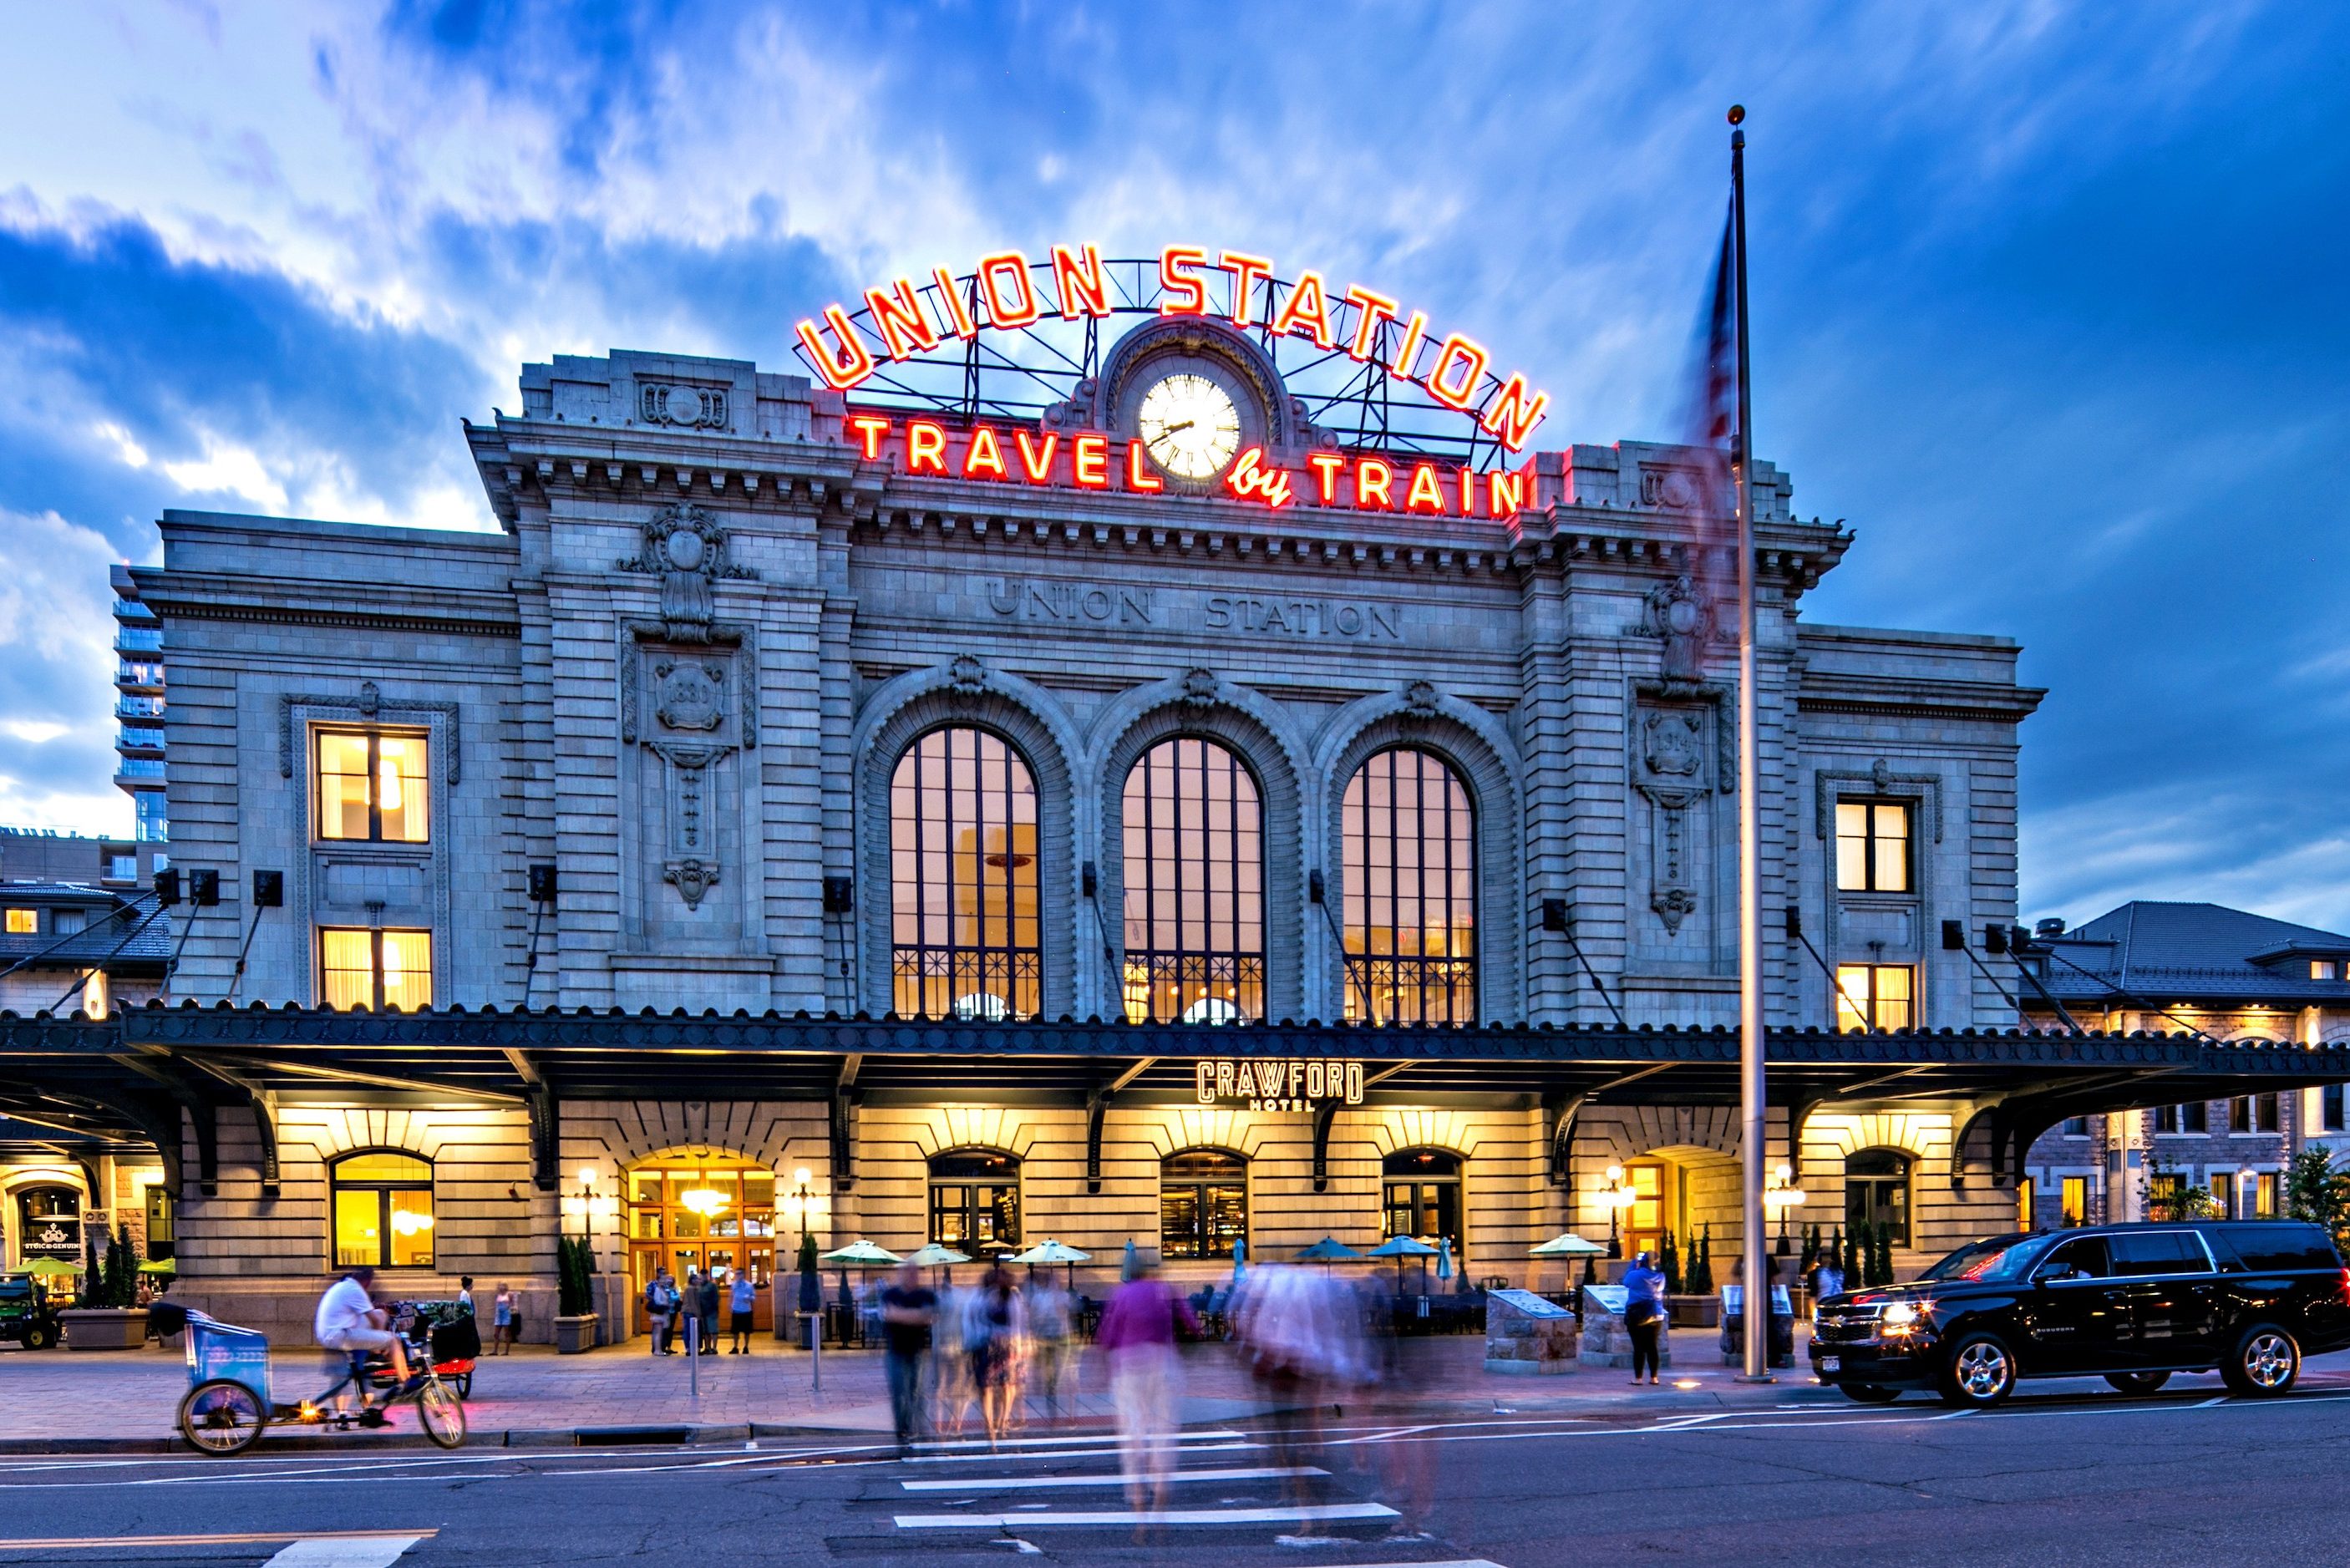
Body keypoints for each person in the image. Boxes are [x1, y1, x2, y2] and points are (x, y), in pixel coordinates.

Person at [1096, 1258, 1199, 1526]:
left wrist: (1101, 1367)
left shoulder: (1121, 1294)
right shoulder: (1166, 1290)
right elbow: (1193, 1325)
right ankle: (1161, 1480)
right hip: (1163, 1360)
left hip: (1128, 1363)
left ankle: (1137, 1493)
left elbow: (1107, 1336)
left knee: (1132, 1429)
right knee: (1164, 1427)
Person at [315, 1264, 413, 1417]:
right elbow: (374, 1320)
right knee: (393, 1340)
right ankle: (406, 1382)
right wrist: (380, 1343)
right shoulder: (356, 1290)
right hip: (339, 1335)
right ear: (368, 1281)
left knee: (381, 1315)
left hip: (331, 1334)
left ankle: (346, 1413)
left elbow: (376, 1316)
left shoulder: (342, 1287)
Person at [879, 1260, 938, 1457]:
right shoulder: (890, 1294)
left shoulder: (926, 1294)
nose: (911, 1275)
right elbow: (889, 1315)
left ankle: (917, 1428)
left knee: (917, 1393)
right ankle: (903, 1429)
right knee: (899, 1393)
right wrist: (916, 1315)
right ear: (901, 1274)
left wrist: (901, 1314)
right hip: (895, 1351)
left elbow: (929, 1317)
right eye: (908, 1272)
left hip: (918, 1351)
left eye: (914, 1272)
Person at [967, 1264, 1025, 1448]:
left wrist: (1021, 1344)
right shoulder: (983, 1297)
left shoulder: (1013, 1298)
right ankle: (990, 1425)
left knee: (1008, 1385)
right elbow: (973, 1319)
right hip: (987, 1345)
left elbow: (1019, 1322)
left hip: (1008, 1345)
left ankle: (1003, 1421)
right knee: (986, 1387)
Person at [1023, 1274, 1073, 1416]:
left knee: (1056, 1366)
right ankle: (1049, 1386)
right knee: (1049, 1366)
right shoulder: (1039, 1297)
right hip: (1044, 1337)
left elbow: (1070, 1310)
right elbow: (1034, 1316)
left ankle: (1051, 1385)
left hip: (1060, 1336)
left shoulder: (1063, 1296)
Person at [1622, 1249, 1667, 1386]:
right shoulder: (1661, 1276)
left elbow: (1626, 1281)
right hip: (1655, 1315)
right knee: (1652, 1346)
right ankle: (1654, 1377)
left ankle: (1638, 1378)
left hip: (1638, 1314)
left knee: (1638, 1347)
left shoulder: (1636, 1274)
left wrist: (1635, 1263)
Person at [645, 1266, 678, 1355]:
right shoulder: (654, 1286)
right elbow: (650, 1296)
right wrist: (664, 1303)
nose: (665, 1276)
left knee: (662, 1331)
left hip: (664, 1311)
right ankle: (656, 1349)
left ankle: (661, 1348)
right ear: (658, 1274)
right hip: (658, 1311)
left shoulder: (665, 1287)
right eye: (663, 1273)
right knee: (658, 1331)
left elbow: (671, 1295)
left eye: (665, 1273)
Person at [1804, 1246, 1845, 1313]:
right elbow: (1813, 1296)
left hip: (1832, 1307)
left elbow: (1813, 1296)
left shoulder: (1815, 1273)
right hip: (1829, 1307)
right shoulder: (1841, 1272)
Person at [728, 1268, 759, 1354]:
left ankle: (746, 1347)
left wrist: (749, 1298)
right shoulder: (733, 1285)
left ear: (743, 1275)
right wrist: (730, 1305)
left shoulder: (749, 1285)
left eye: (740, 1274)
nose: (738, 1275)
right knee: (735, 1331)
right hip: (736, 1310)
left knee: (747, 1331)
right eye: (736, 1274)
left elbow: (754, 1297)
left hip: (746, 1310)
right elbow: (731, 1295)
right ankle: (735, 1347)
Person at [698, 1270, 721, 1355]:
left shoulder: (712, 1286)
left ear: (707, 1276)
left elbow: (716, 1298)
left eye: (704, 1276)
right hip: (702, 1311)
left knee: (713, 1330)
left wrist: (714, 1308)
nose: (703, 1278)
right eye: (701, 1276)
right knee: (706, 1331)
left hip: (712, 1311)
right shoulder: (699, 1286)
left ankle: (714, 1348)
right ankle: (707, 1348)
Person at [491, 1282, 515, 1355]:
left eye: (502, 1286)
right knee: (496, 1334)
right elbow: (496, 1305)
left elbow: (513, 1304)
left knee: (507, 1333)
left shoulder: (509, 1294)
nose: (500, 1287)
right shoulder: (498, 1295)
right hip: (498, 1315)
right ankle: (495, 1351)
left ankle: (506, 1351)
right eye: (499, 1286)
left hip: (506, 1315)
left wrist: (511, 1309)